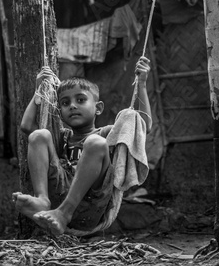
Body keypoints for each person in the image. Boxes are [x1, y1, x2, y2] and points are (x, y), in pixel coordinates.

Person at [12, 56, 152, 236]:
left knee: (95, 143)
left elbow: (143, 126)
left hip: (92, 206)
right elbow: (27, 127)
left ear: (98, 108)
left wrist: (141, 84)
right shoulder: (62, 137)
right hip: (57, 202)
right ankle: (42, 199)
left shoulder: (106, 134)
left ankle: (65, 213)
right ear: (60, 113)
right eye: (65, 103)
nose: (72, 106)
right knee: (39, 135)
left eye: (80, 100)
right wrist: (38, 91)